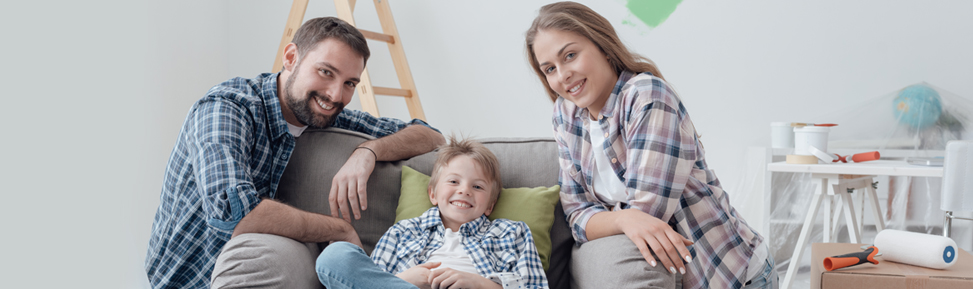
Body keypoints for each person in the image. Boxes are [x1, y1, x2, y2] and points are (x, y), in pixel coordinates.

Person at [145, 17, 445, 288]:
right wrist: (339, 229)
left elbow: (430, 135)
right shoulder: (226, 107)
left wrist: (369, 150)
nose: (335, 94)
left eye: (349, 83)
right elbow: (234, 213)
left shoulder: (328, 115)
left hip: (272, 266)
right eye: (326, 72)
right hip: (189, 278)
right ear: (291, 58)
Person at [525, 2, 775, 288]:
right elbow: (577, 216)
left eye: (570, 55)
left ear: (603, 45)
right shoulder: (565, 114)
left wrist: (620, 217)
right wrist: (624, 219)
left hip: (732, 276)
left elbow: (648, 214)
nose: (562, 75)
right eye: (549, 69)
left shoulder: (646, 95)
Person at [315, 137, 549, 289]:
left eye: (477, 186)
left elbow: (535, 286)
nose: (464, 190)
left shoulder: (511, 232)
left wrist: (481, 284)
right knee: (334, 255)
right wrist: (405, 281)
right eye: (454, 181)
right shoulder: (403, 231)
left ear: (490, 204)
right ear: (433, 194)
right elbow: (370, 280)